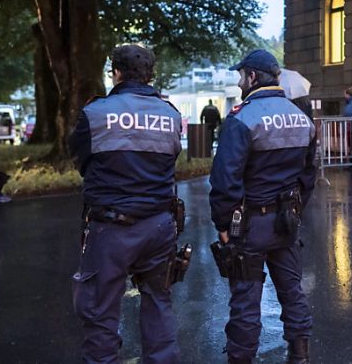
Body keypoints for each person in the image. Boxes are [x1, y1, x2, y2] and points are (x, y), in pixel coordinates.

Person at [68, 43, 183, 364]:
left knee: (100, 310)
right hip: (160, 225)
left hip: (110, 228)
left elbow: (80, 159)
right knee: (159, 302)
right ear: (151, 74)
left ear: (115, 72)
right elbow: (172, 158)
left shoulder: (94, 113)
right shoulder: (171, 114)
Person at [209, 49, 317, 364]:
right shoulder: (302, 118)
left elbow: (224, 180)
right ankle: (300, 355)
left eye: (241, 75)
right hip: (286, 220)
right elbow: (309, 174)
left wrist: (224, 224)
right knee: (292, 291)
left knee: (245, 300)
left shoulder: (242, 117)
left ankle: (241, 359)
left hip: (250, 224)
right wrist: (295, 209)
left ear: (253, 77)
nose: (240, 81)